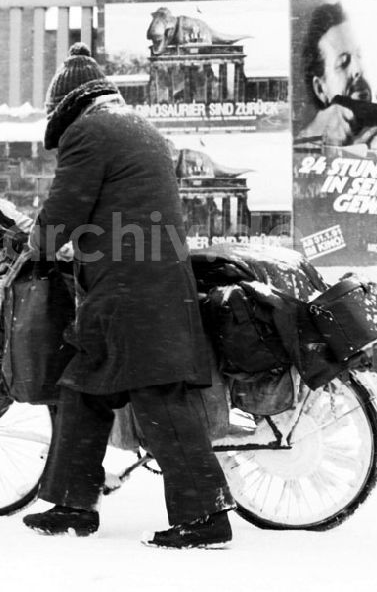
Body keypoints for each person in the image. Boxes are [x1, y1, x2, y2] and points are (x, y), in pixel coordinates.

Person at [20, 43, 234, 549]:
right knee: (83, 387)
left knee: (160, 396)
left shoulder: (89, 133)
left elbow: (66, 207)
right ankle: (73, 505)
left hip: (130, 289)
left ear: (67, 105)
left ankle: (206, 517)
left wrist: (39, 243)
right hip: (150, 282)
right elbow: (119, 205)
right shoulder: (139, 128)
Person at [297, 2, 377, 152]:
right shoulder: (309, 143)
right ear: (320, 89)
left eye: (359, 56)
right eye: (343, 63)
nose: (358, 69)